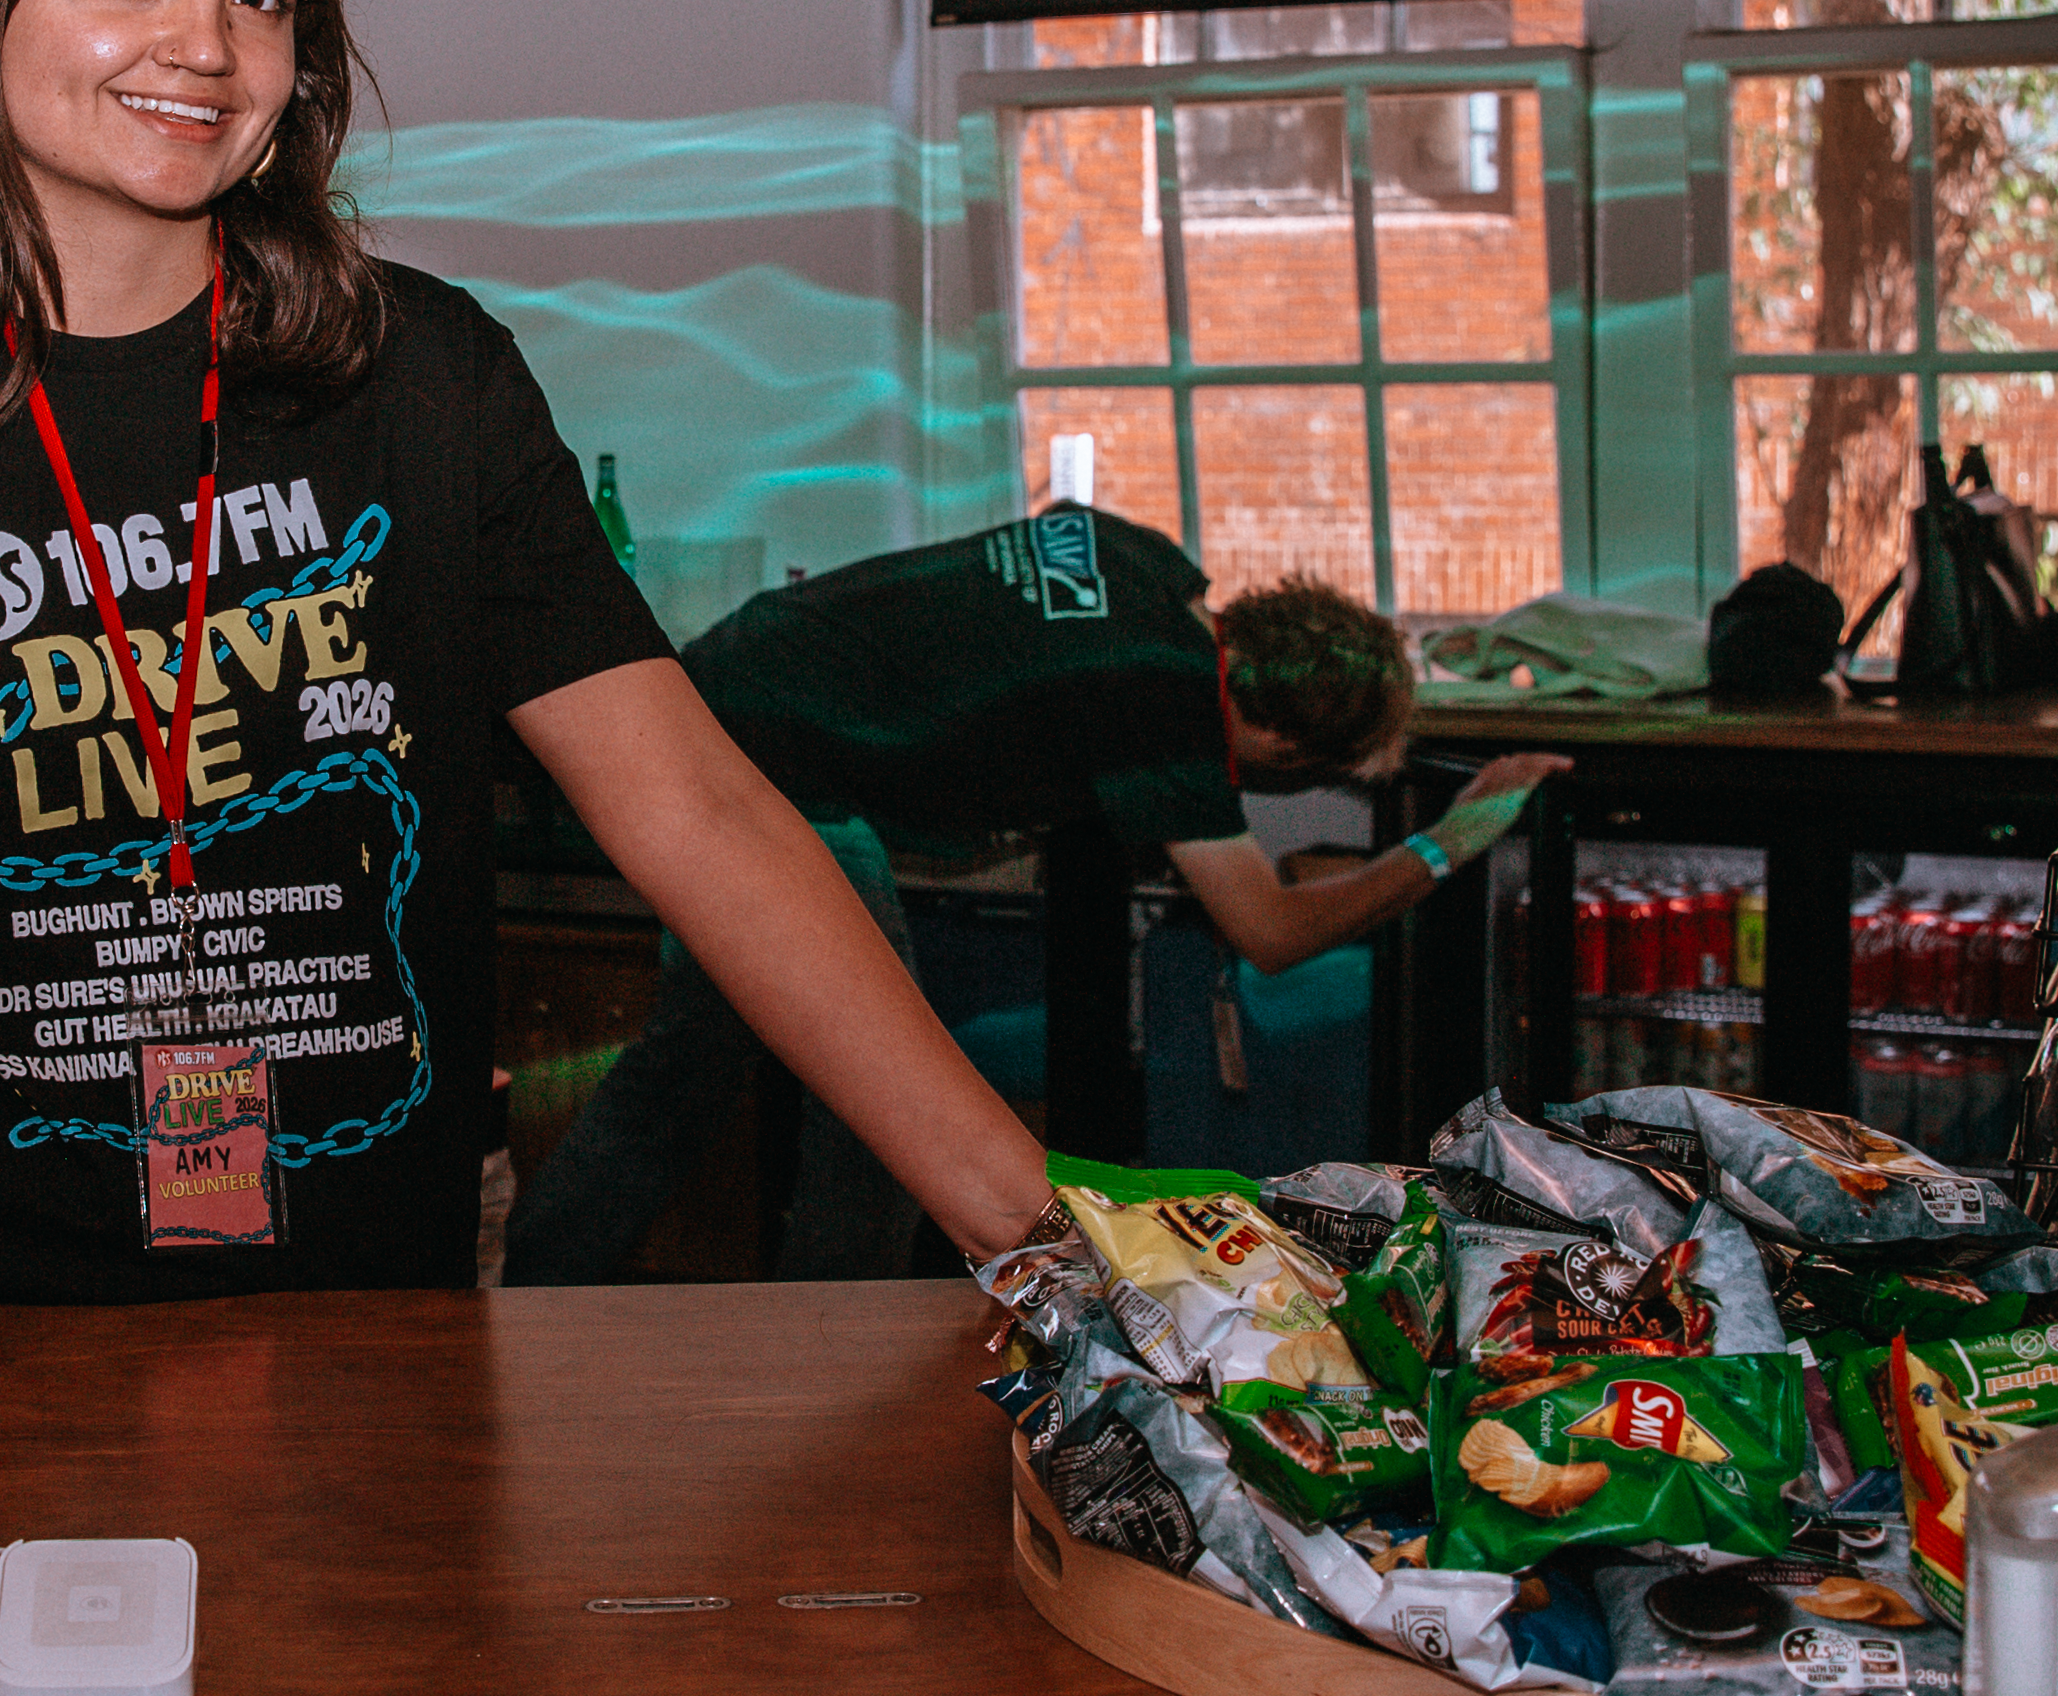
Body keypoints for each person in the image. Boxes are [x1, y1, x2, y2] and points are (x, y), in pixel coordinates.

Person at [0, 0, 1056, 1388]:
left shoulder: (420, 384)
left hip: (378, 1323)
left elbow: (701, 820)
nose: (205, 45)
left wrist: (1045, 1241)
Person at [500, 514, 1569, 1286]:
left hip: (730, 679)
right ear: (1278, 739)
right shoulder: (1165, 697)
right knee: (878, 1100)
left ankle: (535, 1296)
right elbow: (1268, 929)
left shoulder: (1142, 558)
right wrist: (1447, 841)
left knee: (687, 1071)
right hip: (774, 770)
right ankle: (832, 1339)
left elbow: (1026, 662)